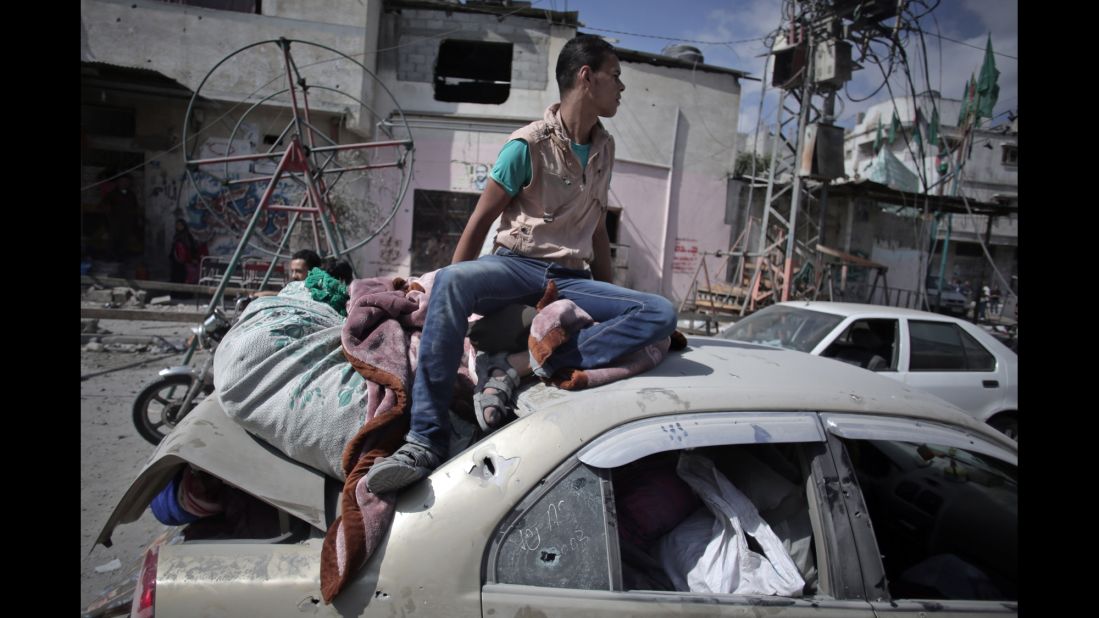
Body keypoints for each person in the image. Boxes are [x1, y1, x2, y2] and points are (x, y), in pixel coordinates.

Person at [365, 35, 677, 494]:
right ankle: (424, 440)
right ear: (586, 77)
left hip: (573, 277)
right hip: (517, 266)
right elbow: (480, 221)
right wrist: (438, 292)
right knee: (452, 283)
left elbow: (595, 230)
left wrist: (610, 298)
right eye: (616, 75)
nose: (622, 87)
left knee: (660, 313)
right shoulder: (526, 146)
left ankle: (516, 367)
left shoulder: (605, 149)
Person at [250, 249, 323, 298]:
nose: (293, 275)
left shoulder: (321, 293)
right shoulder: (295, 289)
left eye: (299, 271)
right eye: (292, 271)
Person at [168, 218, 200, 284]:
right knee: (176, 278)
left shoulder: (187, 236)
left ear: (184, 226)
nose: (178, 227)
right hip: (176, 262)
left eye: (180, 225)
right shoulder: (176, 236)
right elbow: (174, 248)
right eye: (177, 225)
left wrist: (193, 258)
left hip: (185, 262)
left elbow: (192, 248)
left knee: (184, 278)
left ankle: (184, 293)